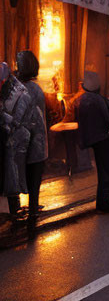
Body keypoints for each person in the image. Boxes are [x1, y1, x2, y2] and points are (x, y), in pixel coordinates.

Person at [75, 70, 109, 213]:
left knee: (103, 171)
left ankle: (102, 203)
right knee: (107, 171)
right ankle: (104, 203)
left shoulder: (84, 100)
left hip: (95, 139)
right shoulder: (96, 100)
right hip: (104, 139)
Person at [15, 51, 47, 224]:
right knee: (34, 181)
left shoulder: (17, 89)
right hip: (37, 143)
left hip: (21, 142)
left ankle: (17, 211)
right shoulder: (36, 89)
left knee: (15, 178)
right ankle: (33, 210)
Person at [1, 61, 32, 222]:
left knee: (12, 174)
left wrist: (7, 121)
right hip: (7, 136)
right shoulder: (10, 89)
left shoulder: (19, 93)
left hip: (11, 137)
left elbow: (17, 120)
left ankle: (15, 209)